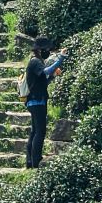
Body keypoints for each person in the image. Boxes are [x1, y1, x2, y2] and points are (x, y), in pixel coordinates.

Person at [23, 36, 68, 169]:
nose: (48, 51)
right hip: (37, 100)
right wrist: (61, 59)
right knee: (40, 131)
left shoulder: (36, 61)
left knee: (35, 131)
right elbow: (45, 71)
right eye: (46, 49)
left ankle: (30, 161)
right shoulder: (36, 61)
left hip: (35, 100)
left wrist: (53, 76)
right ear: (40, 49)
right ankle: (36, 160)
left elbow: (43, 80)